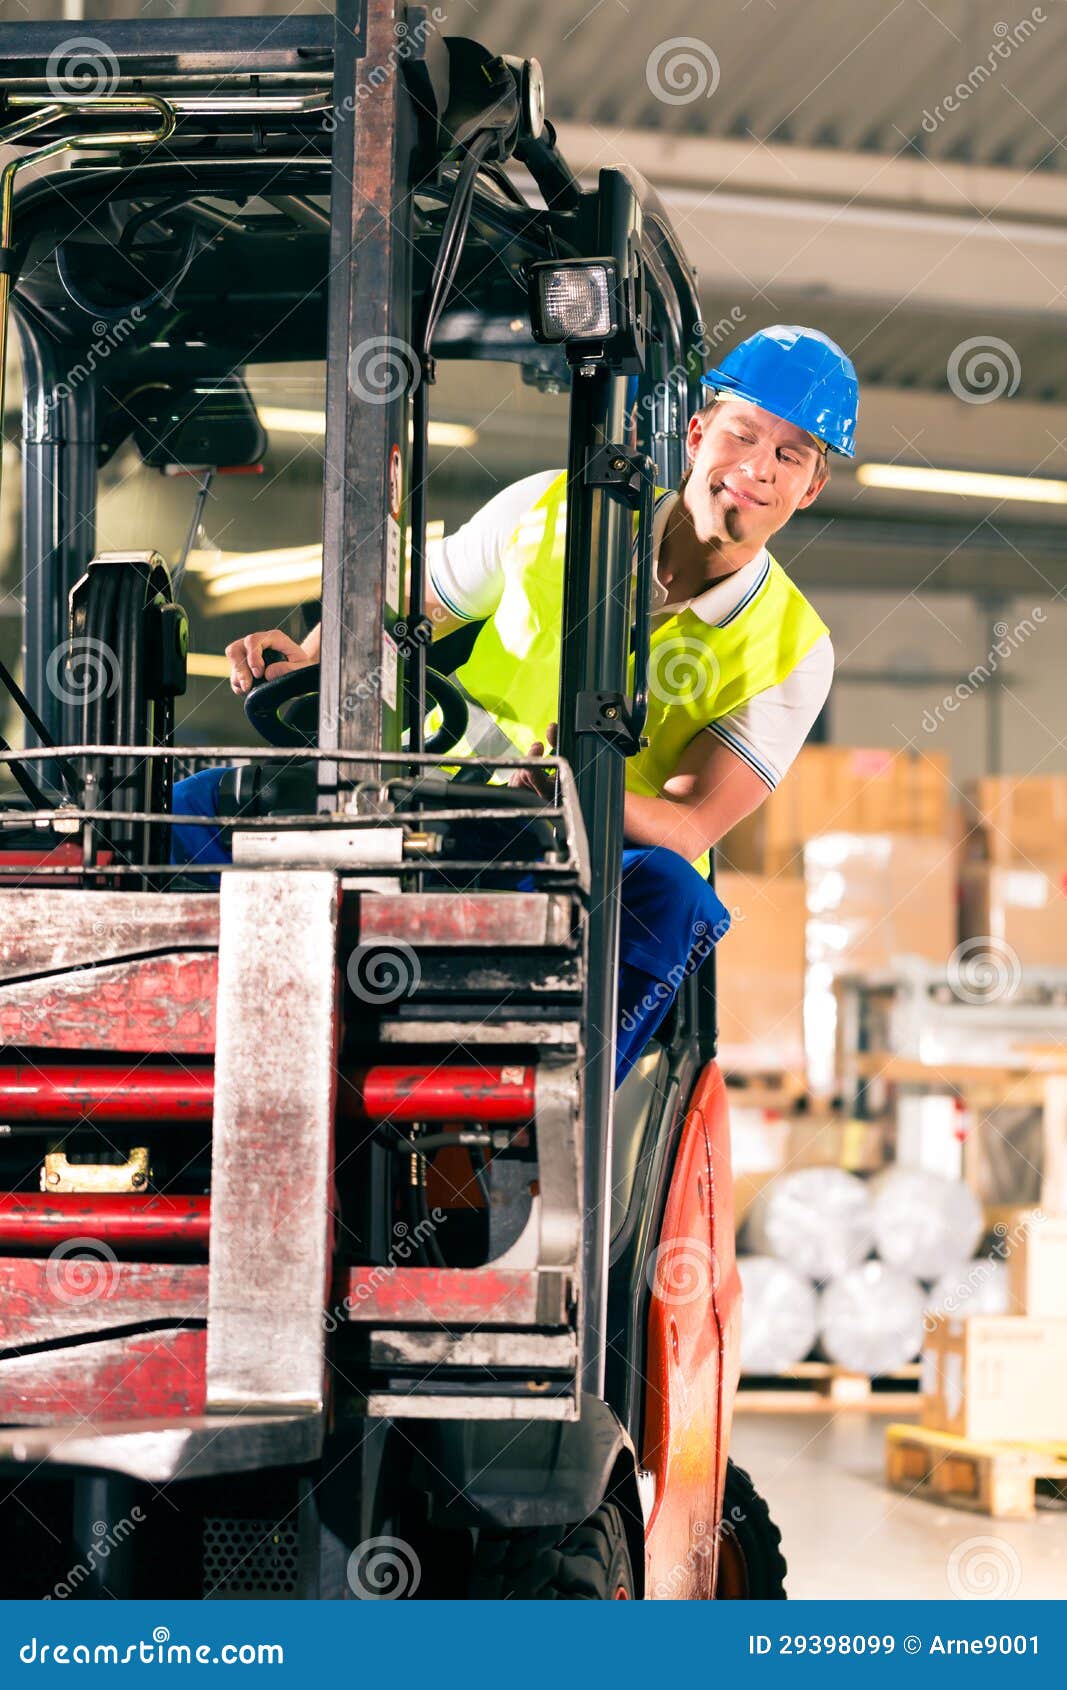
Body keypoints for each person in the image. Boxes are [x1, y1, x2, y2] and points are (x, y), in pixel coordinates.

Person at [174, 325, 858, 1084]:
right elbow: (404, 607)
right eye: (743, 435)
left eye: (790, 455)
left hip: (576, 861)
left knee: (673, 896)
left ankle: (560, 1105)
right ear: (697, 436)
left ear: (810, 486)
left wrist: (576, 783)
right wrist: (310, 658)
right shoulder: (553, 507)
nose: (757, 468)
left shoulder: (795, 649)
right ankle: (184, 1047)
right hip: (429, 804)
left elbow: (690, 822)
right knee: (197, 807)